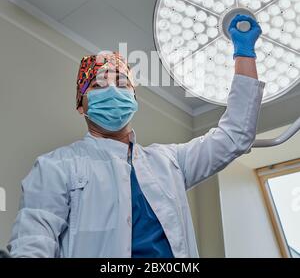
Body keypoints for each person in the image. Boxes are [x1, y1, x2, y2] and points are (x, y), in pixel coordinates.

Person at [7, 15, 265, 258]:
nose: (112, 91)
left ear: (133, 98)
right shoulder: (56, 166)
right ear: (80, 105)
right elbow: (34, 240)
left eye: (121, 83)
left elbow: (235, 136)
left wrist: (244, 53)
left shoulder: (169, 161)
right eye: (98, 85)